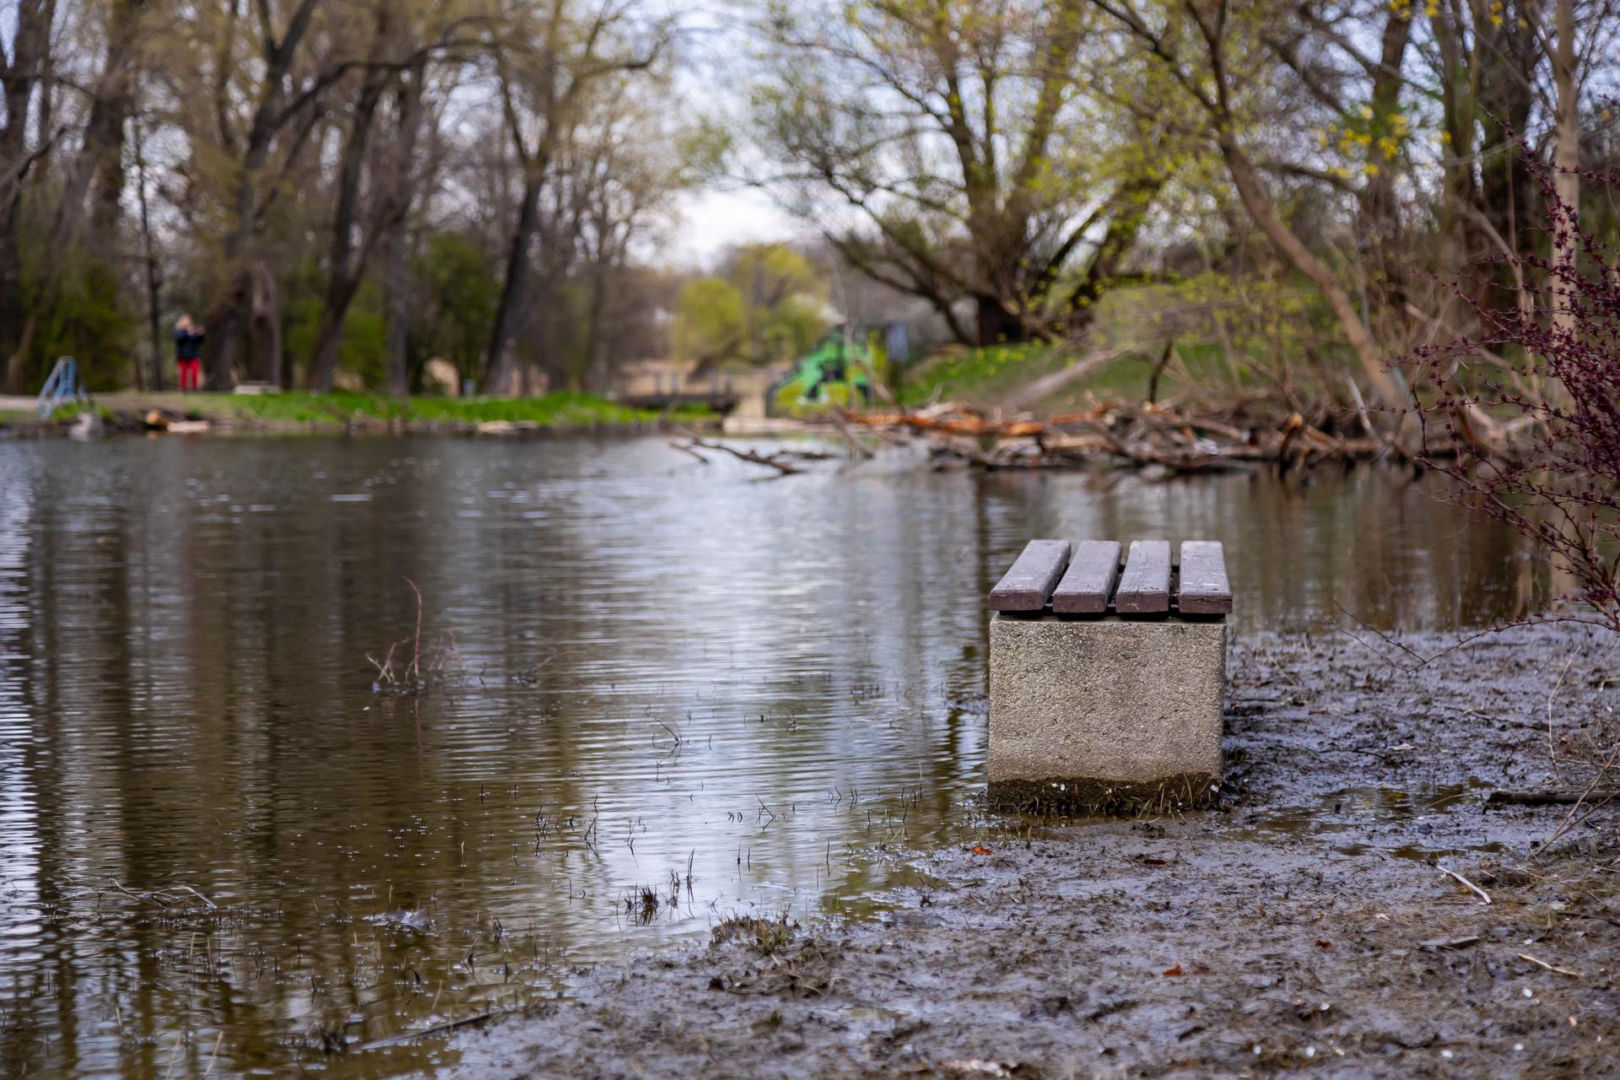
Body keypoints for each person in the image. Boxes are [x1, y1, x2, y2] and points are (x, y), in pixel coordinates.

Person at [174, 314, 205, 392]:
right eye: (185, 320)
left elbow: (198, 341)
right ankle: (184, 389)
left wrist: (201, 334)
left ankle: (194, 388)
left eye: (188, 320)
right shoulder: (179, 331)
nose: (187, 322)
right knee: (183, 374)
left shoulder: (193, 330)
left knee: (195, 372)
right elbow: (178, 340)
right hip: (182, 355)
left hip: (193, 354)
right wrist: (187, 333)